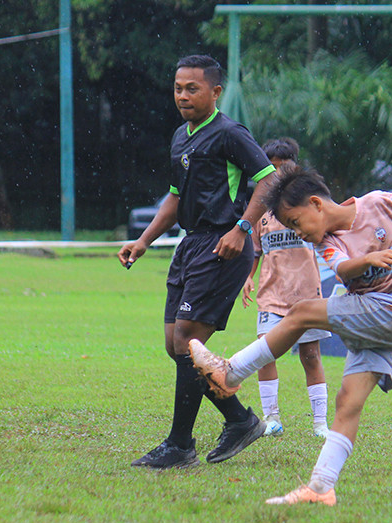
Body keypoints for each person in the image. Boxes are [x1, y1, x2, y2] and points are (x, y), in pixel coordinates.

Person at [190, 165, 392, 506]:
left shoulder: (379, 203)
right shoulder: (328, 243)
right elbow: (343, 268)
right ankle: (321, 487)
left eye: (296, 222)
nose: (299, 233)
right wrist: (368, 260)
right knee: (348, 403)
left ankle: (231, 372)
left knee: (302, 313)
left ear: (316, 203)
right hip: (377, 318)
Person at [117, 54, 277, 470]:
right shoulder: (180, 137)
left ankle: (179, 445)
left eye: (193, 88)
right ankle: (239, 420)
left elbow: (269, 180)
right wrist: (144, 241)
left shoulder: (229, 133)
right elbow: (174, 198)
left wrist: (241, 228)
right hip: (191, 245)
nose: (183, 96)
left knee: (188, 339)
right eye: (178, 88)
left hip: (223, 245)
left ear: (215, 92)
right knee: (177, 345)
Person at [242, 138, 331, 439]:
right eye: (272, 168)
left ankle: (320, 423)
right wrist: (248, 277)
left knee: (311, 356)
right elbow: (255, 251)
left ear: (295, 168)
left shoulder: (309, 207)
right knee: (264, 354)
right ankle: (272, 419)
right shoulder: (261, 212)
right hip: (271, 295)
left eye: (284, 167)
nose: (278, 173)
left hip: (306, 295)